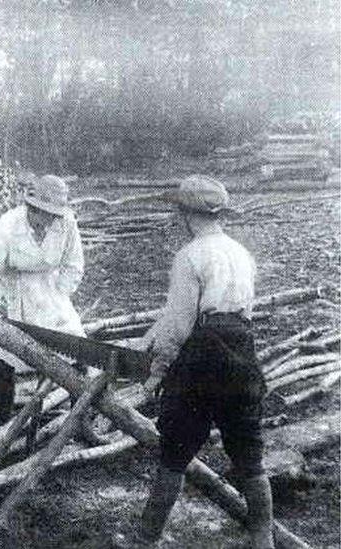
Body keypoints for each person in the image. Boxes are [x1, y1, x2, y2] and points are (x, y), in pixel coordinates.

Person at [117, 175, 271, 549]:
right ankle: (263, 539)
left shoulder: (189, 256)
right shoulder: (240, 252)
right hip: (242, 351)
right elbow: (234, 313)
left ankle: (145, 540)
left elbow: (181, 325)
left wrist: (155, 374)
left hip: (204, 356)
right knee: (249, 450)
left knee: (174, 450)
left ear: (186, 214)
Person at [0, 174, 86, 419]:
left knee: (77, 352)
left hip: (49, 290)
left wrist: (59, 294)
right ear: (32, 208)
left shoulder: (66, 223)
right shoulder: (8, 224)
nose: (51, 220)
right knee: (5, 359)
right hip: (10, 293)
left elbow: (74, 264)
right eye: (46, 213)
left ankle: (79, 420)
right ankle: (4, 420)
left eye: (56, 214)